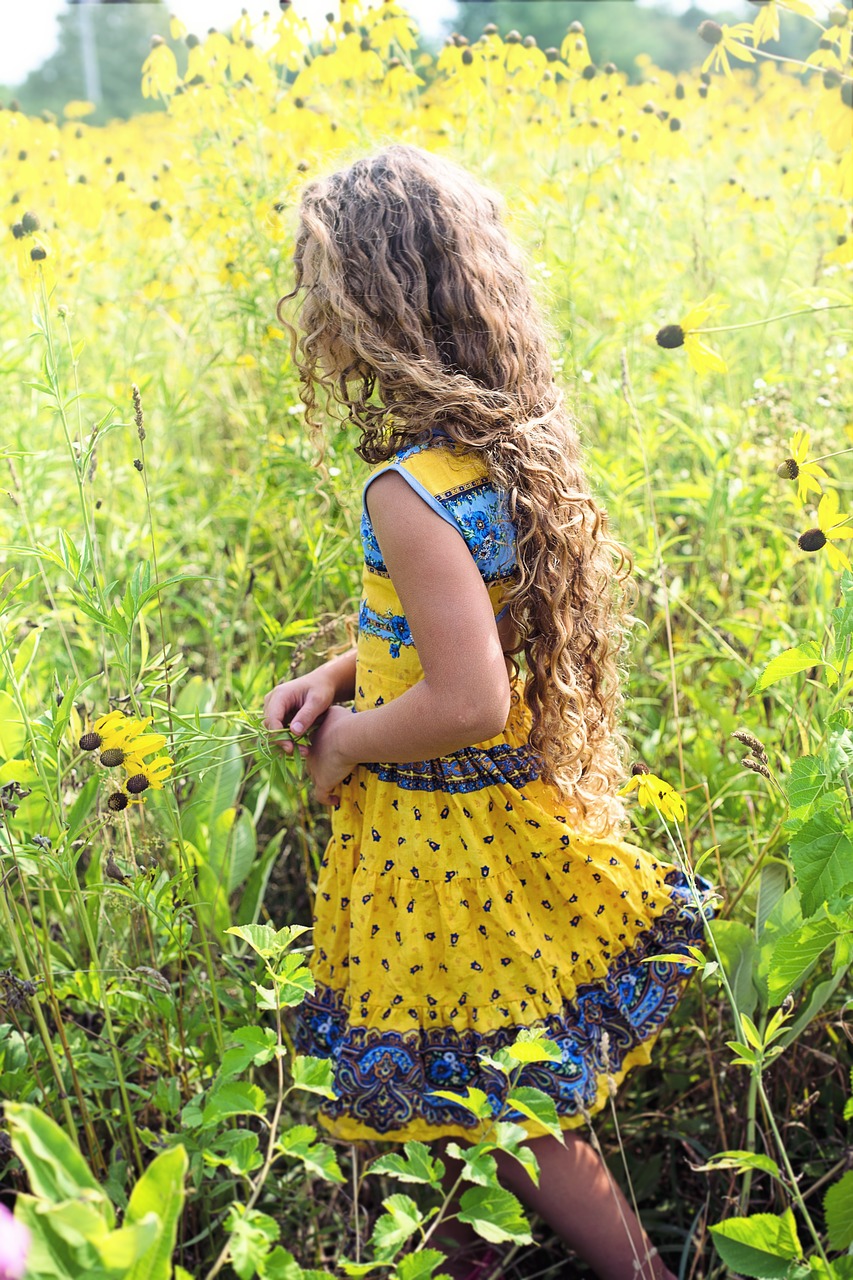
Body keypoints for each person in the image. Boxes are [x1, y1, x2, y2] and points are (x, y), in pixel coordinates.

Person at [263, 143, 714, 1280]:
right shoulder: (498, 449)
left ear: (370, 307)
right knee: (460, 1091)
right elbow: (452, 628)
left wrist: (349, 741)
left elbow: (467, 695)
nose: (312, 318)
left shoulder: (403, 488)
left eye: (320, 293)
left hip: (439, 841)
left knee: (507, 1101)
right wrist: (342, 672)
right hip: (490, 817)